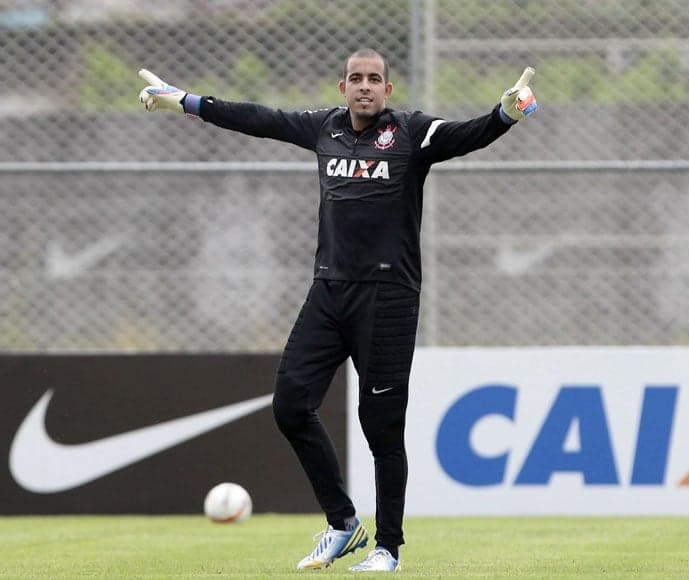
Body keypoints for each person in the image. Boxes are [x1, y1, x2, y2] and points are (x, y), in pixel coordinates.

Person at [138, 48, 537, 573]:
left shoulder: (411, 133)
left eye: (375, 79)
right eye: (356, 79)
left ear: (388, 90)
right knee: (290, 405)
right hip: (328, 294)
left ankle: (387, 549)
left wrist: (506, 113)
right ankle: (343, 525)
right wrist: (187, 101)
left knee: (381, 427)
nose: (365, 86)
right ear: (343, 86)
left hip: (388, 299)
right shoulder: (324, 129)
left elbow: (469, 134)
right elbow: (258, 119)